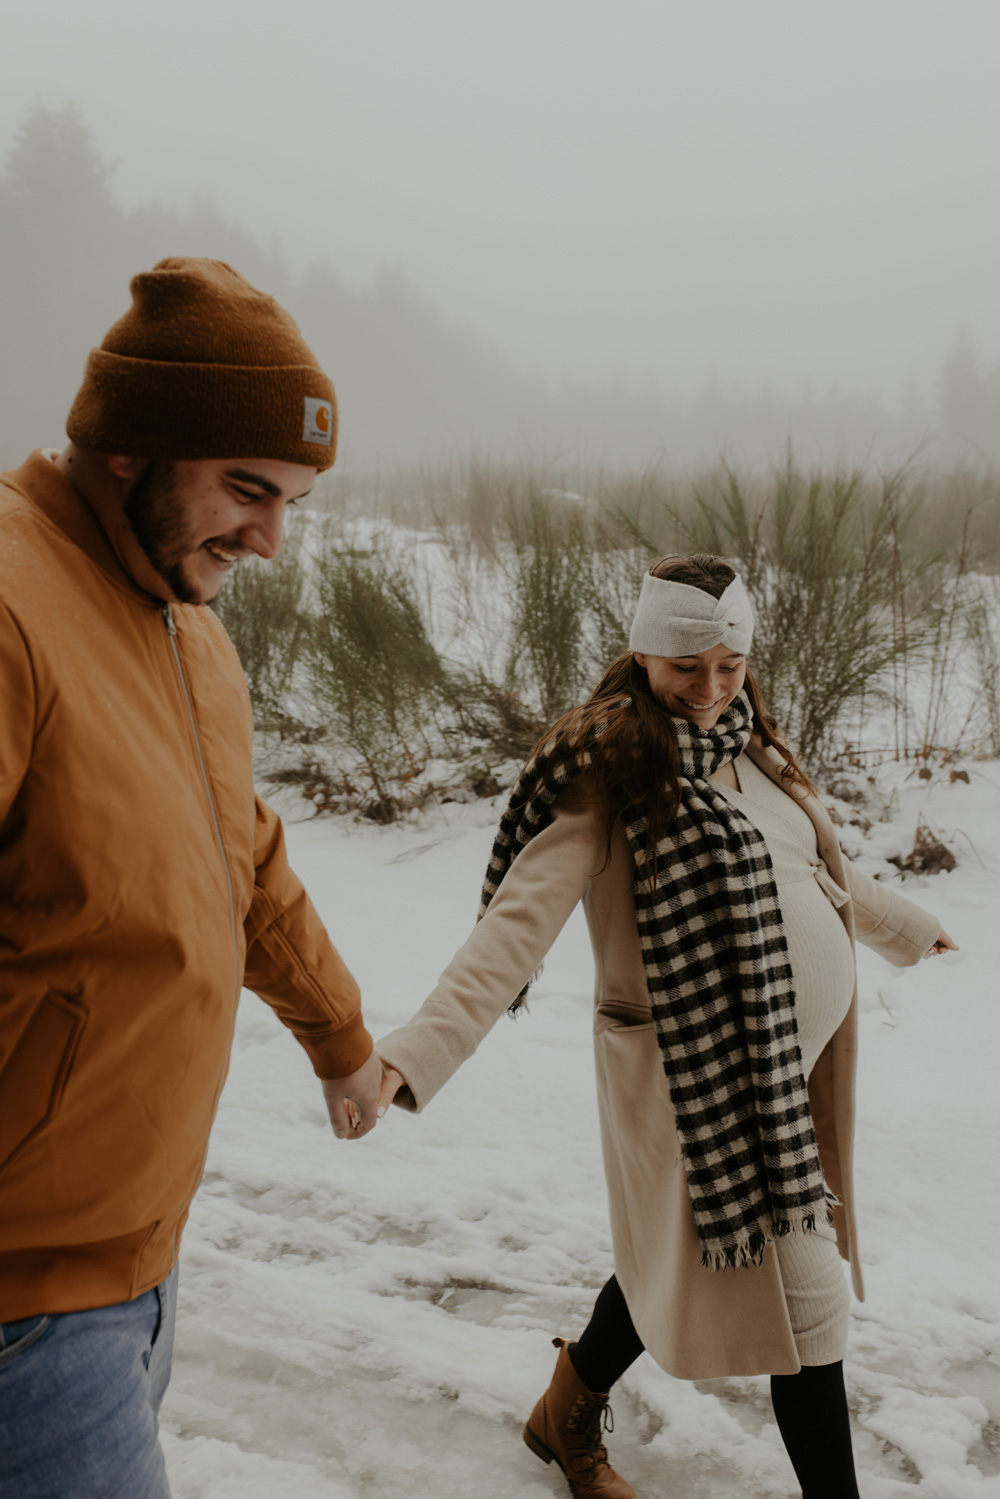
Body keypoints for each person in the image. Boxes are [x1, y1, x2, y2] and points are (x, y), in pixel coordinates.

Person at [375, 554, 956, 1499]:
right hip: (690, 1078)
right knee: (804, 1303)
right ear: (642, 649)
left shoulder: (751, 743)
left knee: (676, 1256)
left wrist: (906, 928)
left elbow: (816, 870)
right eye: (690, 666)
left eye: (731, 665)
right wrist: (415, 1053)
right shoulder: (612, 770)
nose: (711, 686)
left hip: (779, 1071)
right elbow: (514, 928)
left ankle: (564, 1405)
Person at [0, 258, 382, 1499]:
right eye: (247, 490)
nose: (270, 539)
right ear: (131, 449)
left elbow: (245, 862)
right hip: (24, 1293)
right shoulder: (12, 605)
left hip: (139, 1259)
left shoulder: (185, 624)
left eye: (295, 502)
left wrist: (339, 1034)